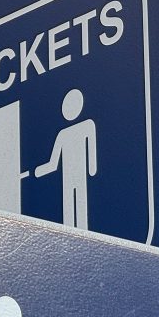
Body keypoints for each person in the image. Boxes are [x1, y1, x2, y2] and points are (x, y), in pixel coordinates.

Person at [33, 88, 97, 230]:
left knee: (81, 206)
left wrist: (93, 168)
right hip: (66, 177)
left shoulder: (87, 125)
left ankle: (84, 236)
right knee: (68, 206)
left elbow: (91, 148)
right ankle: (71, 238)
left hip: (81, 175)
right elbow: (54, 162)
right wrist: (40, 170)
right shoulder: (63, 134)